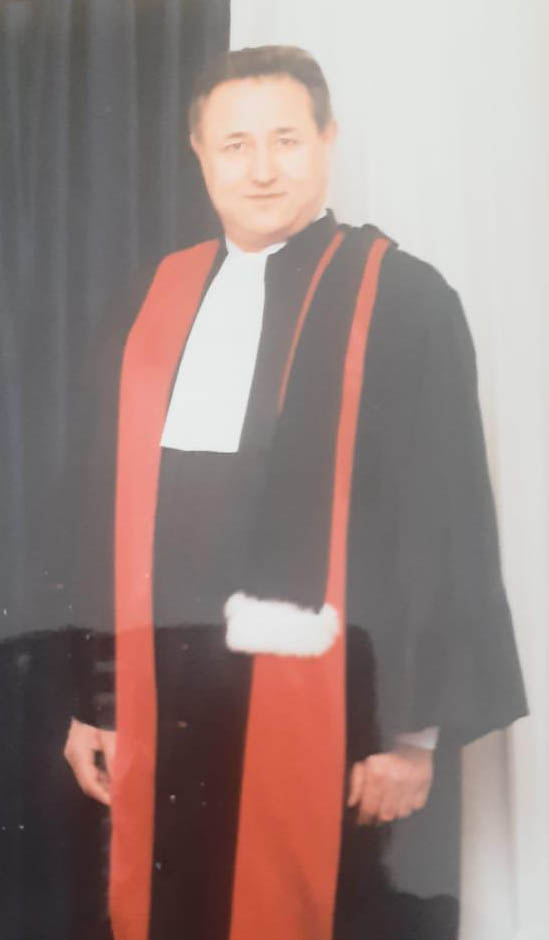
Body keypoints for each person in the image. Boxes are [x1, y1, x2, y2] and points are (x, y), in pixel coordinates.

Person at [63, 45, 527, 940]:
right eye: (234, 145)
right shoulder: (151, 297)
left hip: (344, 720)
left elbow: (444, 523)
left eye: (285, 139)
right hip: (170, 704)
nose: (262, 169)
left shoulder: (403, 299)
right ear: (198, 154)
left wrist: (412, 737)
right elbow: (100, 515)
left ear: (327, 142)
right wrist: (96, 702)